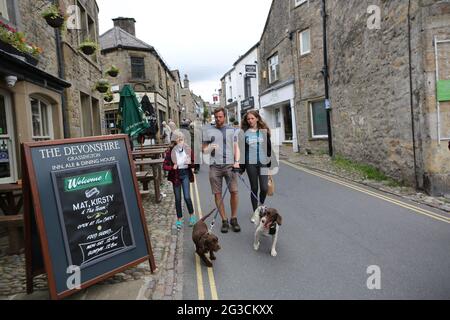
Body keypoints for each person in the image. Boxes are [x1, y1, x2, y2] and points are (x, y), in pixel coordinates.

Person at [202, 107, 241, 233]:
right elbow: (204, 150)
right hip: (214, 166)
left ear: (224, 117)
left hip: (230, 165)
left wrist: (237, 162)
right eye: (216, 117)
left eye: (220, 117)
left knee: (234, 191)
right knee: (217, 194)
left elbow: (236, 148)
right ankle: (224, 220)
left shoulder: (231, 130)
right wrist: (210, 148)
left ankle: (233, 219)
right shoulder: (209, 131)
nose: (218, 119)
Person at [240, 110, 273, 213]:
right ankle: (255, 212)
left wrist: (269, 164)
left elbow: (268, 148)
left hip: (263, 162)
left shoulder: (264, 131)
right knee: (254, 188)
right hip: (251, 163)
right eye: (248, 119)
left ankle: (261, 204)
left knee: (264, 188)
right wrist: (241, 167)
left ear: (257, 118)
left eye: (252, 118)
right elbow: (242, 151)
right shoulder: (244, 133)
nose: (250, 121)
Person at [163, 130, 197, 230]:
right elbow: (164, 166)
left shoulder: (188, 149)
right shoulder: (170, 152)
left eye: (182, 139)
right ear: (174, 141)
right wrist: (172, 167)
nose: (180, 141)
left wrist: (190, 162)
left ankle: (192, 216)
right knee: (178, 199)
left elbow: (195, 164)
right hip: (176, 177)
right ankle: (179, 218)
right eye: (178, 139)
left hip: (185, 174)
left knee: (187, 197)